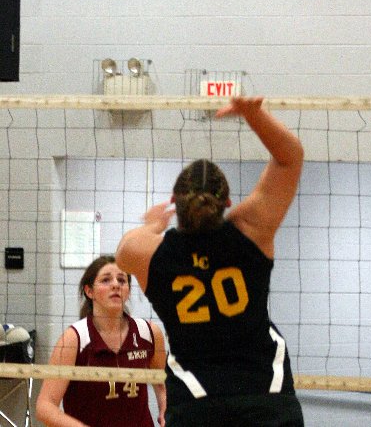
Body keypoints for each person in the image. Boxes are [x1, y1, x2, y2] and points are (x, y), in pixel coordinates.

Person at [116, 96, 305, 427]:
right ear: (227, 202)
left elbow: (124, 250)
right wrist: (253, 114)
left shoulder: (150, 254)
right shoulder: (250, 231)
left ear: (175, 202)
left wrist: (154, 224)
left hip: (195, 401)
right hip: (265, 393)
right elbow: (290, 158)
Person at [36, 255, 166, 427]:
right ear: (89, 291)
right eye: (106, 280)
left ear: (128, 291)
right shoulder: (74, 339)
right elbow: (45, 407)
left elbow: (162, 382)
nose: (116, 285)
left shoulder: (148, 333)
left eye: (122, 280)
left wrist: (165, 409)